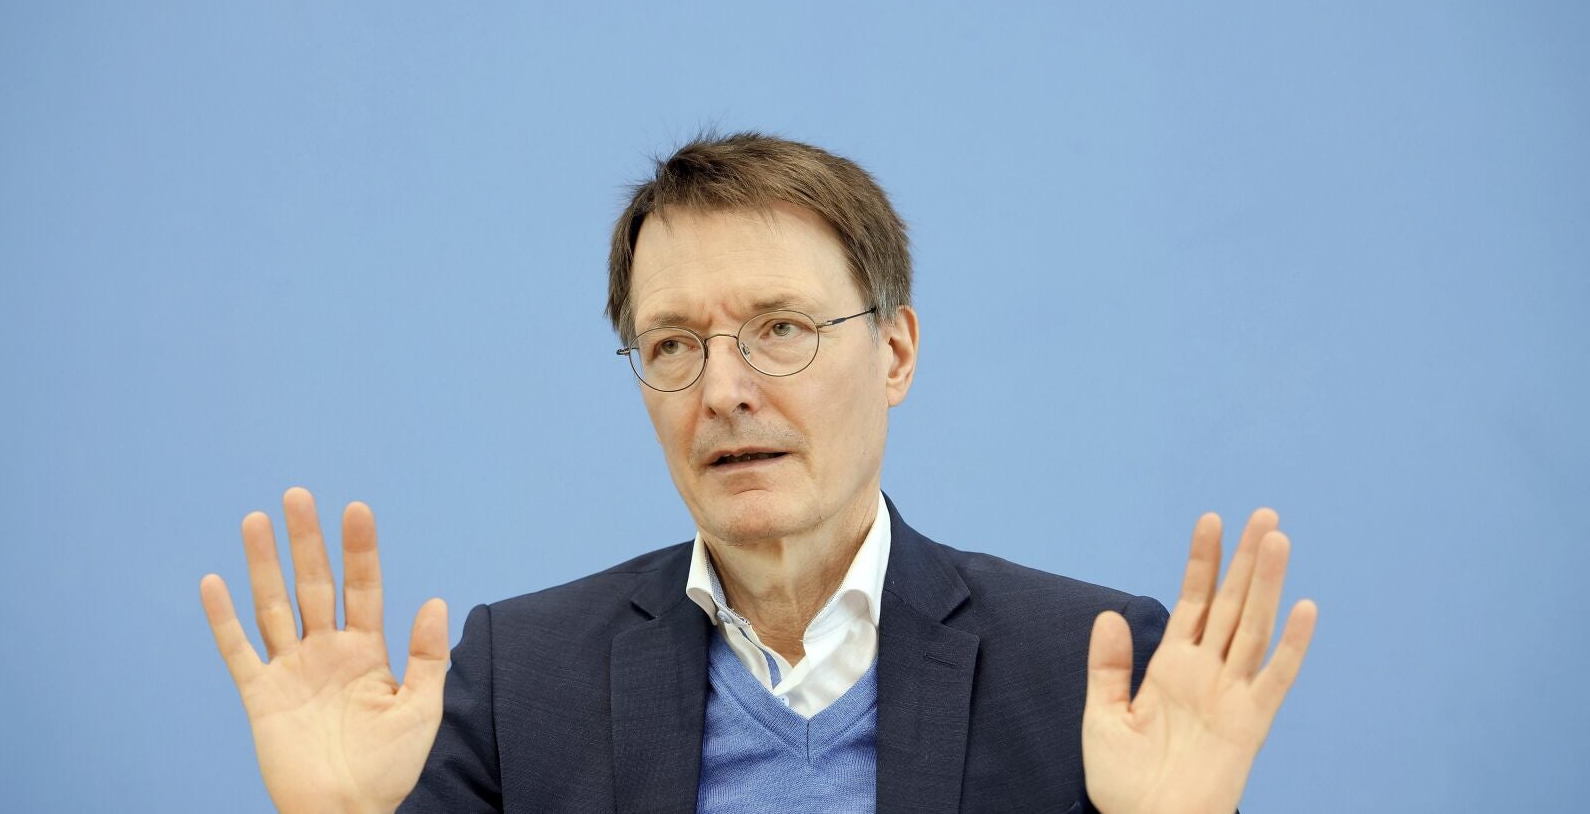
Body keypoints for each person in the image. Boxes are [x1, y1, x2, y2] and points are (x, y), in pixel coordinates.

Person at [200, 132, 1317, 813]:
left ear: (895, 353)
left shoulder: (1084, 670)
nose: (723, 389)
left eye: (780, 328)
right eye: (673, 344)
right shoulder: (519, 680)